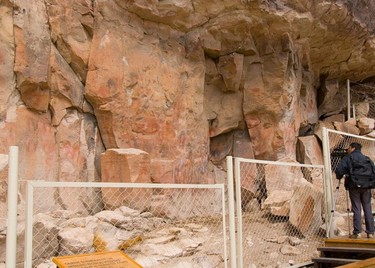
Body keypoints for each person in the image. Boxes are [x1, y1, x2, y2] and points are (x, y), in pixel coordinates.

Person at [335, 142, 375, 239]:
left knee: (356, 208)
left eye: (349, 148)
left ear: (352, 148)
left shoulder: (348, 158)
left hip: (354, 186)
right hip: (366, 187)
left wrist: (341, 176)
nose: (348, 150)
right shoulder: (367, 159)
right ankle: (370, 232)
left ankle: (357, 232)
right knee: (367, 208)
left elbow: (339, 171)